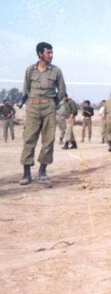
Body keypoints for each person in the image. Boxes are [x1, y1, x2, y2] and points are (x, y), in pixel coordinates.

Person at [20, 42, 66, 186]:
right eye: (48, 53)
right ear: (40, 54)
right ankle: (26, 173)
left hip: (49, 107)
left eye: (52, 53)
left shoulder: (56, 71)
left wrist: (53, 103)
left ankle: (42, 171)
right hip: (33, 107)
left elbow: (62, 90)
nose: (51, 55)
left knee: (49, 139)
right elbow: (26, 89)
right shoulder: (30, 70)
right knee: (29, 139)